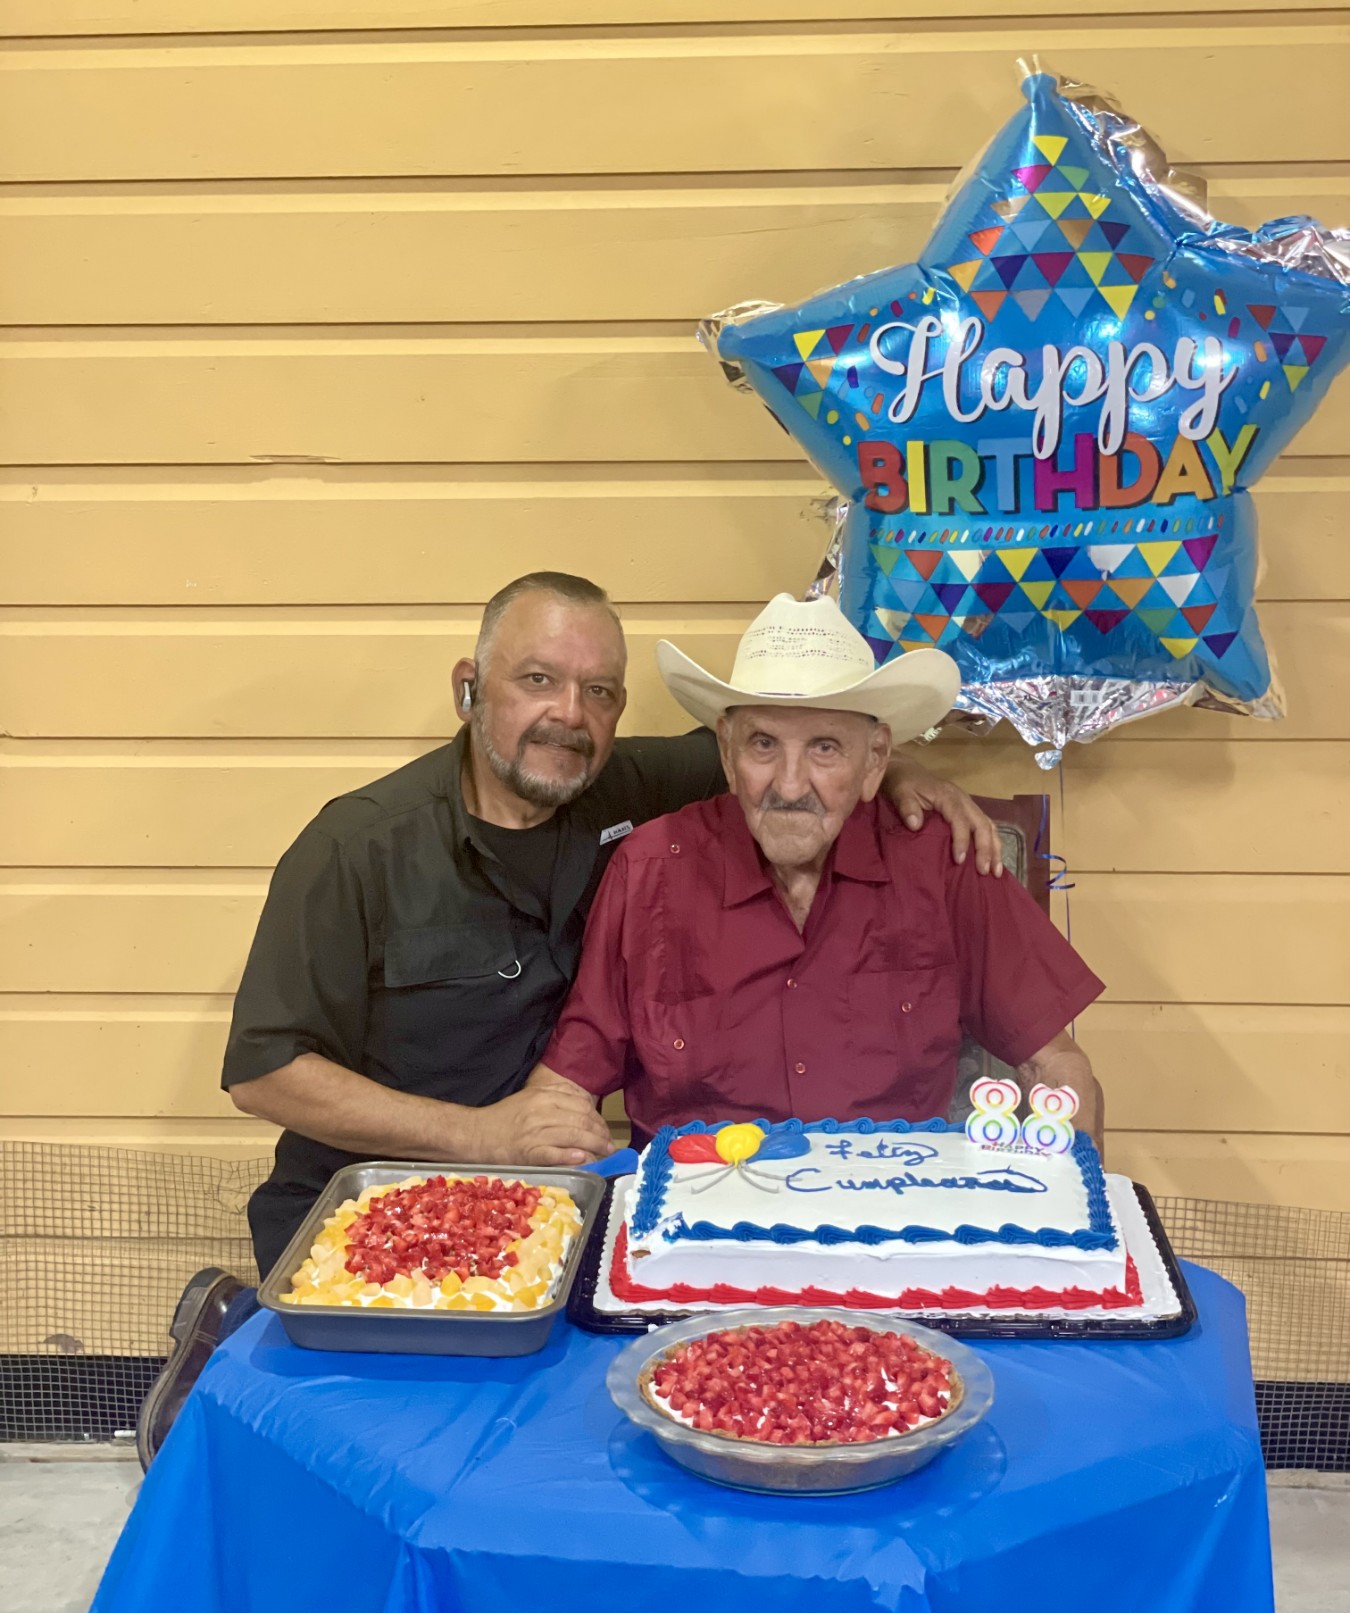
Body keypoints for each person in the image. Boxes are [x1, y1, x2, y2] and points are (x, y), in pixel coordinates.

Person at [137, 573, 1001, 1467]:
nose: (568, 715)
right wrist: (478, 1137)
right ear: (468, 687)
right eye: (536, 681)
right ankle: (234, 1346)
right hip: (378, 1208)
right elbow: (261, 1071)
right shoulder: (356, 848)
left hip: (555, 1208)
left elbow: (788, 758)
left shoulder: (620, 779)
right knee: (395, 1466)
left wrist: (903, 777)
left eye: (600, 692)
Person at [531, 591, 1104, 1142]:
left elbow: (1056, 1064)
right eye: (763, 744)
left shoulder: (942, 861)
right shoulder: (650, 870)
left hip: (891, 1219)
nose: (788, 784)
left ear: (876, 759)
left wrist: (1074, 1210)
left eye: (825, 747)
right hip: (698, 1223)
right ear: (727, 753)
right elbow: (568, 1085)